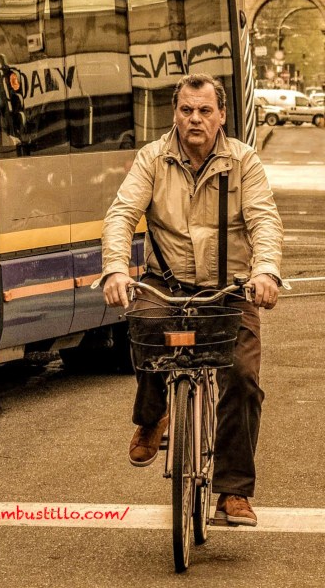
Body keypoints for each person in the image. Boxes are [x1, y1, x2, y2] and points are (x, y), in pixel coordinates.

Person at [100, 73, 283, 527]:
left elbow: (264, 221)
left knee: (242, 377)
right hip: (170, 283)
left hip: (230, 290)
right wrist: (116, 269)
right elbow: (122, 215)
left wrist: (265, 272)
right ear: (175, 114)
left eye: (204, 111)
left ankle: (234, 491)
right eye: (186, 110)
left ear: (221, 115)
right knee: (143, 329)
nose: (194, 119)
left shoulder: (244, 162)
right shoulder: (153, 159)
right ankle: (152, 416)